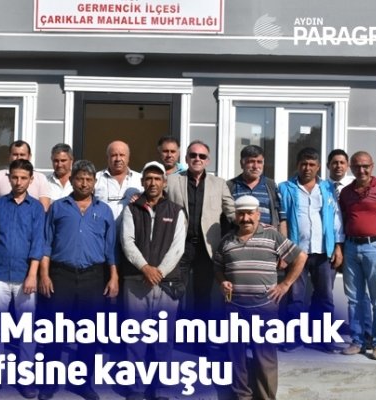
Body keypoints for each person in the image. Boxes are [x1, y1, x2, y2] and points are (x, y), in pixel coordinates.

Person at [39, 160, 118, 400]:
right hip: (60, 275)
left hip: (93, 277)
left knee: (89, 332)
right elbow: (46, 243)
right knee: (54, 331)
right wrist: (44, 274)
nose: (84, 183)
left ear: (95, 182)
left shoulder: (104, 211)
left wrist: (114, 277)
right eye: (80, 178)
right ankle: (49, 382)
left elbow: (110, 248)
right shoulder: (58, 207)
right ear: (72, 180)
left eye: (89, 179)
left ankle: (82, 383)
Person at [214, 195, 306, 400]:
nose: (245, 218)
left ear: (258, 214)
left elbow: (300, 257)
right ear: (236, 216)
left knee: (265, 358)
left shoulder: (271, 235)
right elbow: (218, 266)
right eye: (241, 214)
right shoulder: (227, 240)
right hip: (234, 307)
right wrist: (222, 281)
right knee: (236, 357)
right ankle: (242, 396)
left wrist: (285, 284)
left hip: (264, 307)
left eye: (249, 213)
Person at [0, 159, 45, 399]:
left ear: (31, 180)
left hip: (25, 277)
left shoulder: (36, 208)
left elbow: (38, 242)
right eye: (14, 177)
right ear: (9, 177)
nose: (18, 182)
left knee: (26, 330)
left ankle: (25, 379)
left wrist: (33, 275)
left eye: (23, 178)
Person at [120, 161, 186, 400]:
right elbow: (127, 242)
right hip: (137, 281)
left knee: (163, 339)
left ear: (164, 182)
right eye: (148, 178)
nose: (153, 183)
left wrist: (159, 272)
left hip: (166, 284)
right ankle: (136, 388)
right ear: (142, 181)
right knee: (135, 338)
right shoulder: (132, 209)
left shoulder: (176, 211)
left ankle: (161, 388)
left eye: (157, 178)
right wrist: (145, 268)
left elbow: (178, 247)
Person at [278, 147, 344, 353]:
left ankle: (323, 337)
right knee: (294, 297)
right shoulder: (286, 188)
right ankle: (293, 337)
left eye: (312, 164)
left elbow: (336, 219)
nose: (307, 168)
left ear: (318, 167)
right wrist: (284, 251)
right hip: (297, 252)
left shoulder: (327, 188)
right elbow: (282, 220)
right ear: (297, 165)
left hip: (324, 252)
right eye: (304, 164)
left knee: (325, 298)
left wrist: (338, 246)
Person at [339, 151, 376, 361]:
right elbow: (344, 220)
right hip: (351, 247)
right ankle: (358, 340)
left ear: (372, 166)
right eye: (357, 166)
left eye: (365, 166)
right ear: (351, 168)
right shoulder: (346, 192)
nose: (361, 170)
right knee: (354, 299)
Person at [166, 140, 235, 317]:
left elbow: (232, 212)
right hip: (179, 245)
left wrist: (254, 224)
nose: (197, 159)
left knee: (203, 294)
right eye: (193, 155)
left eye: (202, 156)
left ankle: (200, 332)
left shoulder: (219, 184)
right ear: (186, 158)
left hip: (207, 248)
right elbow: (156, 201)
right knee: (175, 292)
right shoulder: (171, 181)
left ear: (208, 160)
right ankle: (174, 330)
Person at [327, 149, 373, 348]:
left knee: (361, 292)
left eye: (342, 162)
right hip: (331, 245)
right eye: (334, 162)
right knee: (329, 290)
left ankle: (367, 332)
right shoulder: (322, 187)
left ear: (347, 166)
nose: (338, 166)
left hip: (354, 243)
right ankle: (329, 331)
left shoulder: (355, 188)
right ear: (328, 165)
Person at [0, 140, 51, 211]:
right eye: (15, 154)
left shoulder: (40, 178)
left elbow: (44, 209)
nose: (18, 158)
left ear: (29, 156)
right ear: (9, 156)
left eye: (22, 155)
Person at [227, 145, 280, 227]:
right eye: (251, 161)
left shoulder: (271, 185)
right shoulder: (230, 186)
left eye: (259, 162)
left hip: (266, 235)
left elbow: (280, 217)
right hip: (238, 234)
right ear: (242, 163)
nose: (255, 166)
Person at [94, 140, 143, 221]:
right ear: (107, 158)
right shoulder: (96, 179)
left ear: (128, 158)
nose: (118, 159)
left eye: (122, 155)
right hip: (102, 228)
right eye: (114, 155)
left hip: (131, 228)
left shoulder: (140, 179)